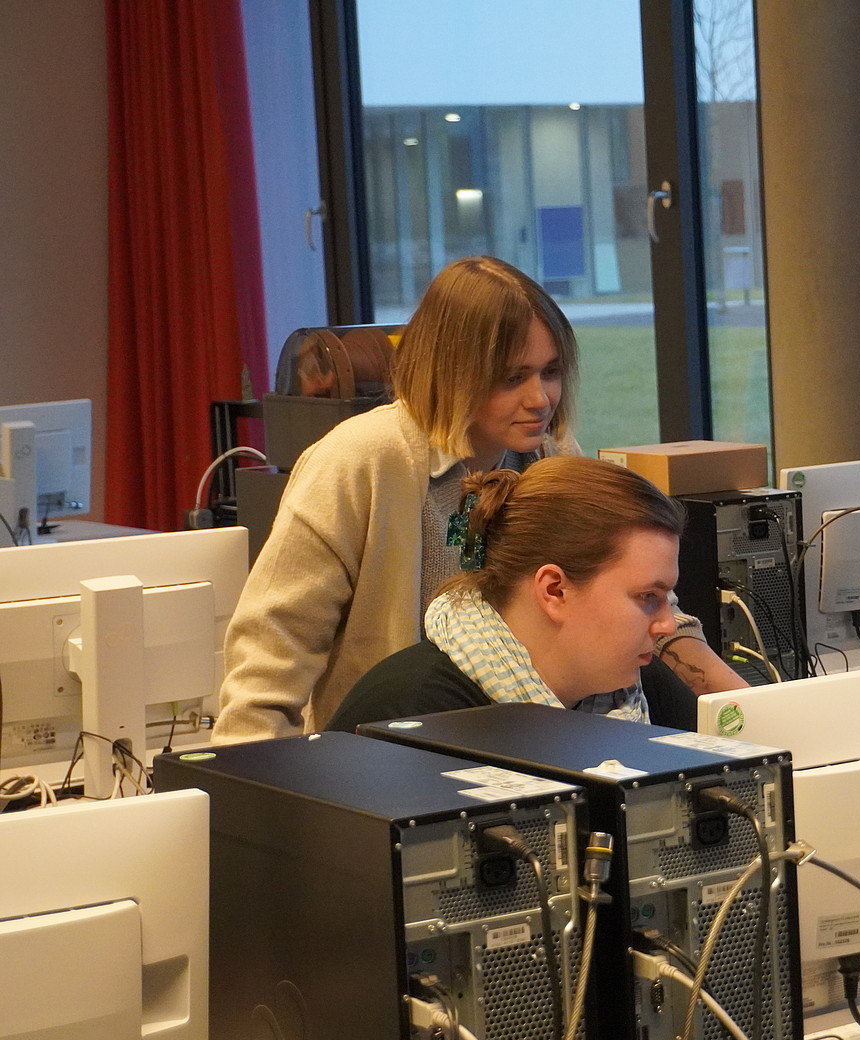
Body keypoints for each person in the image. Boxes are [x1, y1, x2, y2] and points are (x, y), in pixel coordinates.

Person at [216, 256, 738, 740]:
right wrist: (249, 786)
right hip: (393, 752)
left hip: (527, 738)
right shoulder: (360, 460)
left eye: (551, 372)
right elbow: (273, 650)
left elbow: (642, 599)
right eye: (513, 378)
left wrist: (737, 701)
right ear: (451, 371)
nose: (540, 399)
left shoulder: (550, 451)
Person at [330, 458, 696, 731]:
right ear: (554, 590)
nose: (667, 625)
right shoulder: (418, 711)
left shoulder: (640, 683)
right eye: (648, 597)